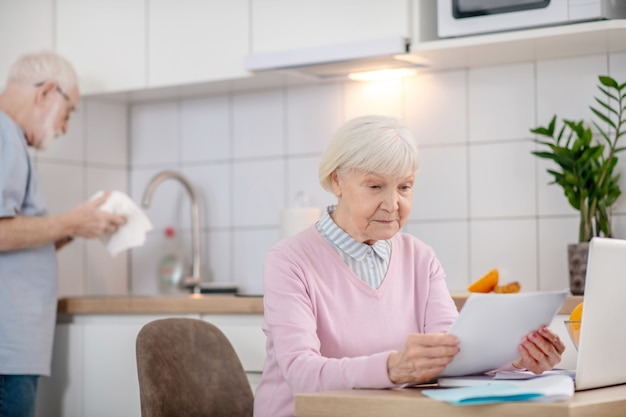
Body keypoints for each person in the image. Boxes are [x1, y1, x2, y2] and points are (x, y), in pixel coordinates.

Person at [253, 115, 565, 417]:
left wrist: (519, 357)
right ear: (337, 180)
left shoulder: (420, 257)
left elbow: (453, 353)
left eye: (404, 187)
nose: (393, 204)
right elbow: (301, 373)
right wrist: (391, 367)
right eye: (375, 187)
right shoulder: (289, 260)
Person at [0, 51, 126, 417]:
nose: (66, 127)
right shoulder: (4, 134)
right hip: (7, 353)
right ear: (46, 92)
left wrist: (77, 228)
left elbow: (17, 240)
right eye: (68, 112)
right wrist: (72, 221)